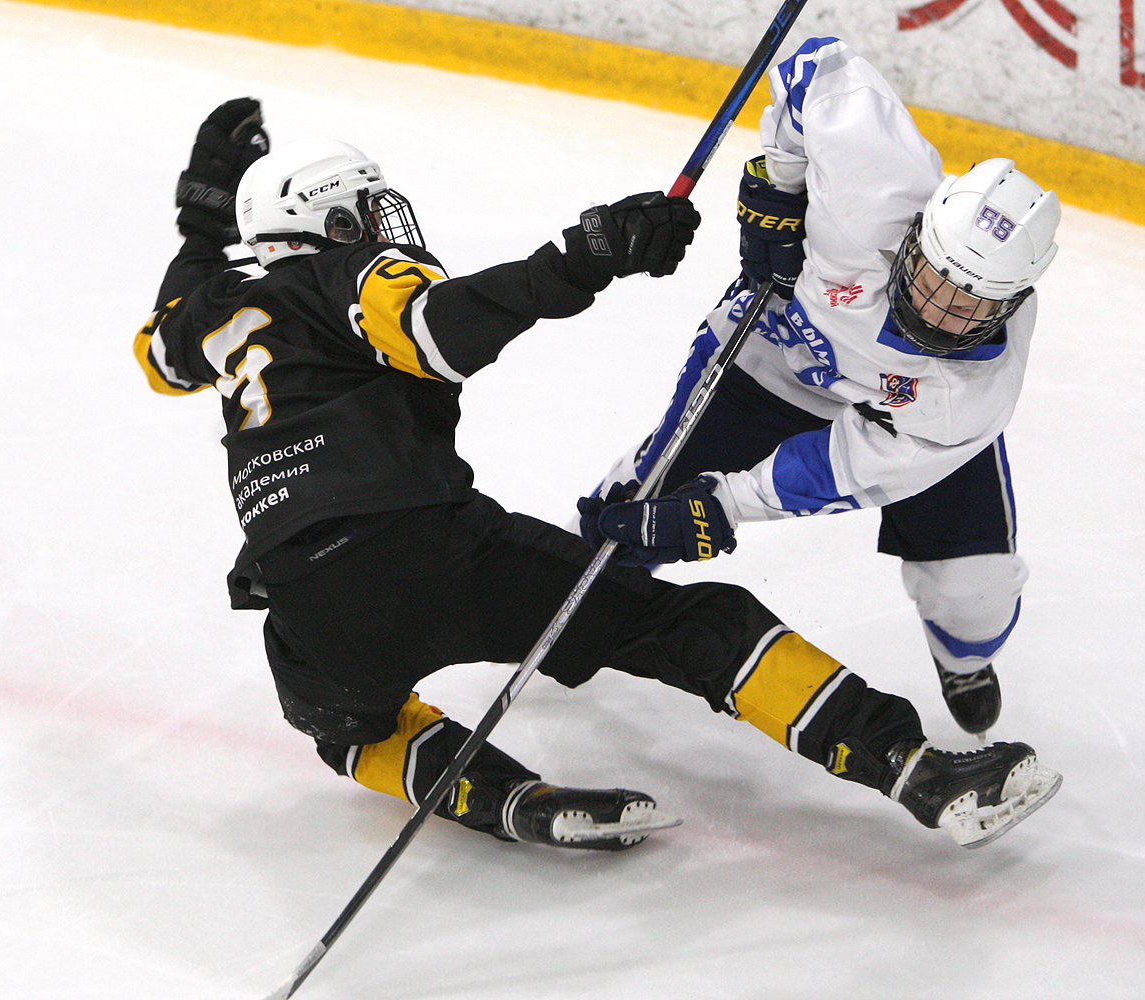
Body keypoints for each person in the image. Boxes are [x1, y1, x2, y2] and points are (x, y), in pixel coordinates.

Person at [134, 98, 1060, 854]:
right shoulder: (345, 277)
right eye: (365, 213)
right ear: (333, 224)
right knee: (694, 625)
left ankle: (508, 803)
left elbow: (159, 347)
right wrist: (584, 259)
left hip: (300, 599)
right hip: (432, 549)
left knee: (346, 729)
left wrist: (200, 220)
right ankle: (915, 770)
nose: (384, 226)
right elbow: (432, 331)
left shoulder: (216, 310)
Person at [579, 36, 1061, 739]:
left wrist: (728, 504)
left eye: (971, 306)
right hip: (767, 359)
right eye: (933, 280)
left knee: (974, 594)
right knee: (636, 514)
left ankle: (963, 655)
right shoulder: (881, 186)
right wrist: (780, 178)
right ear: (920, 230)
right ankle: (555, 572)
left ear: (1013, 301)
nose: (938, 312)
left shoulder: (970, 393)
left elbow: (842, 466)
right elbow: (815, 67)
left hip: (894, 425)